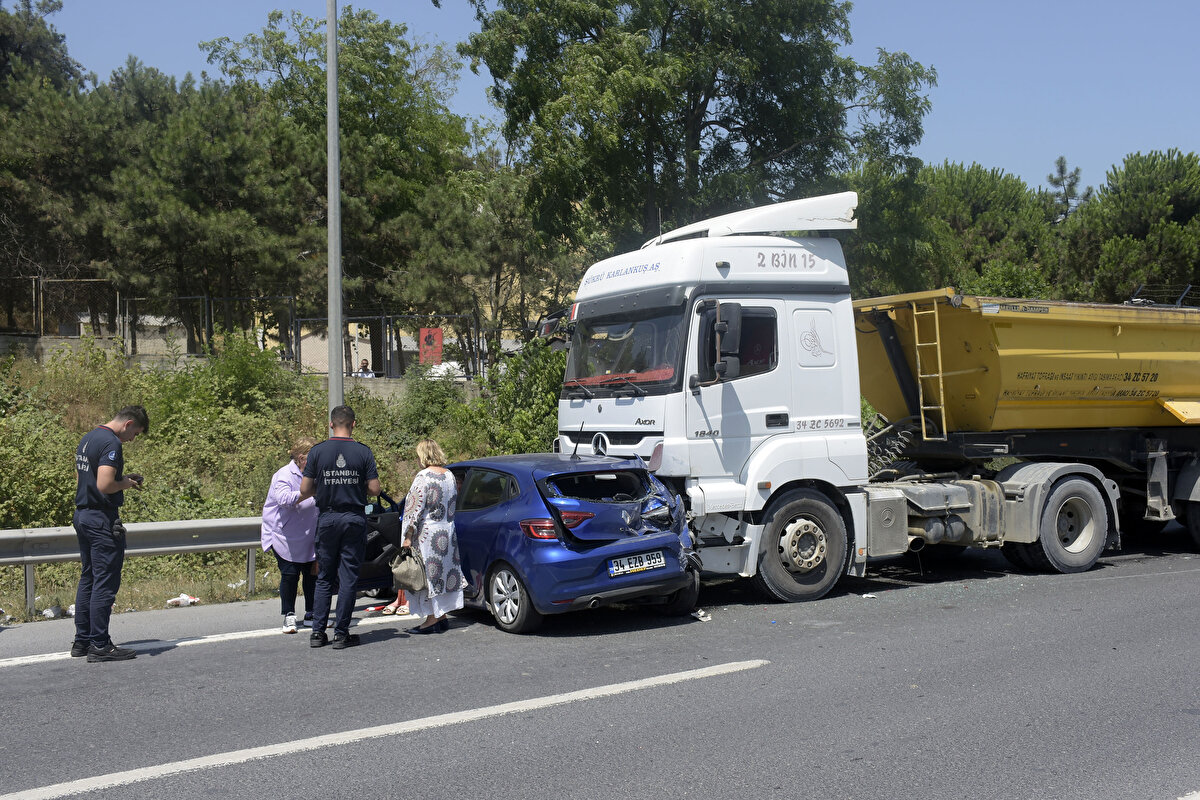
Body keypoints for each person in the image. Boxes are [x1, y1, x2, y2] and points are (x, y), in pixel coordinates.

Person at [298, 405, 380, 649]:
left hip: (327, 518)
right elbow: (374, 489)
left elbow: (304, 489)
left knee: (324, 577)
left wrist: (325, 487)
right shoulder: (363, 452)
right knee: (347, 578)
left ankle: (317, 633)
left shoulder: (317, 451)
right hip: (353, 518)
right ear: (353, 424)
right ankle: (341, 634)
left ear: (331, 424)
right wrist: (355, 486)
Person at [71, 405, 149, 663]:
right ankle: (100, 644)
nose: (132, 439)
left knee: (89, 578)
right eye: (135, 433)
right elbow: (105, 484)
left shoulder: (89, 438)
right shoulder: (112, 443)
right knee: (104, 582)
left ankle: (82, 641)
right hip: (101, 519)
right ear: (128, 424)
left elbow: (86, 479)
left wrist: (121, 478)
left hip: (83, 515)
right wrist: (124, 483)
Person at [400, 439, 463, 634]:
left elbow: (414, 509)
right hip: (447, 532)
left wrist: (408, 536)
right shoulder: (449, 475)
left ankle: (431, 620)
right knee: (441, 575)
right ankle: (441, 616)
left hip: (427, 534)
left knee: (428, 576)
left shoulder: (423, 477)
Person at [261, 437, 320, 633]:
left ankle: (312, 613)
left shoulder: (316, 473)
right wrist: (308, 492)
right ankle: (289, 615)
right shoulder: (284, 474)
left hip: (309, 534)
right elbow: (283, 499)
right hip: (285, 537)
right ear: (302, 458)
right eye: (314, 457)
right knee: (290, 575)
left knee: (312, 574)